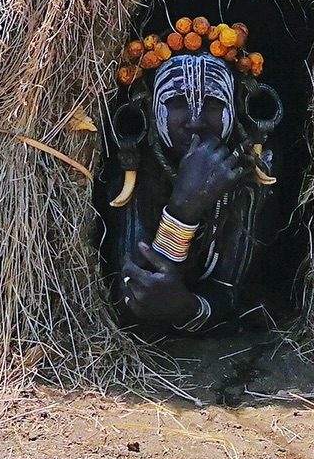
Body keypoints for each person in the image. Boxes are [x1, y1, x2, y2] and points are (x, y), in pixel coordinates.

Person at [95, 19, 285, 335]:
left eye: (212, 104)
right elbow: (135, 297)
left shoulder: (256, 173)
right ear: (151, 110)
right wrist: (184, 207)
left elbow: (229, 291)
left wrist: (186, 308)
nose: (195, 121)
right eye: (177, 104)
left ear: (236, 109)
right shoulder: (127, 175)